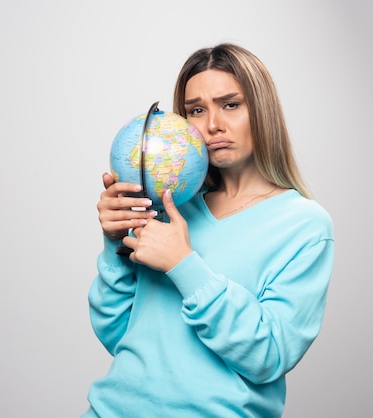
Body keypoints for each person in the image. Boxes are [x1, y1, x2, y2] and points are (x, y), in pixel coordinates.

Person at [83, 43, 334, 417]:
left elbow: (269, 356)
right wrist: (114, 245)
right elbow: (117, 334)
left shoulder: (305, 225)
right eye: (196, 110)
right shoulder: (168, 208)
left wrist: (183, 264)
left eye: (230, 104)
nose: (212, 124)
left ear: (261, 110)